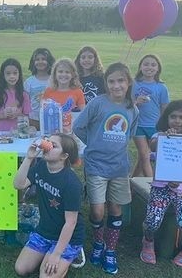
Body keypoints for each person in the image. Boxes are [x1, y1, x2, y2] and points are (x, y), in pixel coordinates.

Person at [72, 62, 138, 275]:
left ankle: (110, 250)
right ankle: (98, 243)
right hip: (96, 166)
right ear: (106, 83)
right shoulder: (97, 104)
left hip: (119, 167)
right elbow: (78, 127)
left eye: (121, 80)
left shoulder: (132, 108)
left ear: (128, 83)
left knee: (115, 208)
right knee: (98, 210)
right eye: (111, 81)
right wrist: (93, 144)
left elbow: (129, 134)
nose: (116, 85)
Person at [13, 134, 86, 278]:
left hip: (68, 236)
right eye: (48, 142)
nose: (47, 146)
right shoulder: (41, 166)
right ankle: (50, 255)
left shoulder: (71, 183)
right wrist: (28, 158)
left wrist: (56, 254)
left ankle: (71, 253)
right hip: (44, 231)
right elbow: (18, 184)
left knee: (45, 276)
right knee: (21, 269)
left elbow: (71, 223)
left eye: (54, 145)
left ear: (64, 156)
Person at [140, 100, 182, 267]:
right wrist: (166, 138)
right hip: (160, 188)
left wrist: (177, 179)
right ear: (166, 118)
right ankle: (148, 241)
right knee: (152, 221)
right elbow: (152, 148)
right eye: (173, 116)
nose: (177, 121)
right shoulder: (158, 137)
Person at [132, 54, 169, 177]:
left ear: (158, 68)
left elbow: (164, 108)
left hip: (154, 126)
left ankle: (131, 183)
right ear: (140, 67)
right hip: (138, 125)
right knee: (145, 155)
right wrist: (136, 102)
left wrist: (163, 126)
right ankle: (151, 187)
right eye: (146, 64)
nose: (149, 67)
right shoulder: (134, 84)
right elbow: (127, 105)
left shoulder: (161, 87)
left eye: (153, 65)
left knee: (142, 158)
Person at [0, 58, 31, 133]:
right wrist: (3, 115)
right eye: (8, 73)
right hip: (0, 136)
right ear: (3, 75)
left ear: (19, 74)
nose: (12, 76)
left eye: (15, 73)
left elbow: (27, 117)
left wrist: (18, 115)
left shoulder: (24, 95)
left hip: (19, 135)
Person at [42, 58, 86, 134]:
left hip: (70, 132)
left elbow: (83, 114)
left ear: (72, 75)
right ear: (55, 74)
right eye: (60, 71)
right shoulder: (48, 91)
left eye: (67, 72)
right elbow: (43, 113)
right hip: (52, 131)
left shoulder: (78, 92)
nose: (63, 74)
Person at [24, 48, 56, 130]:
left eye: (43, 59)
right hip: (34, 120)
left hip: (52, 117)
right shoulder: (29, 82)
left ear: (49, 61)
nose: (40, 62)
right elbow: (25, 102)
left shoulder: (55, 80)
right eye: (37, 59)